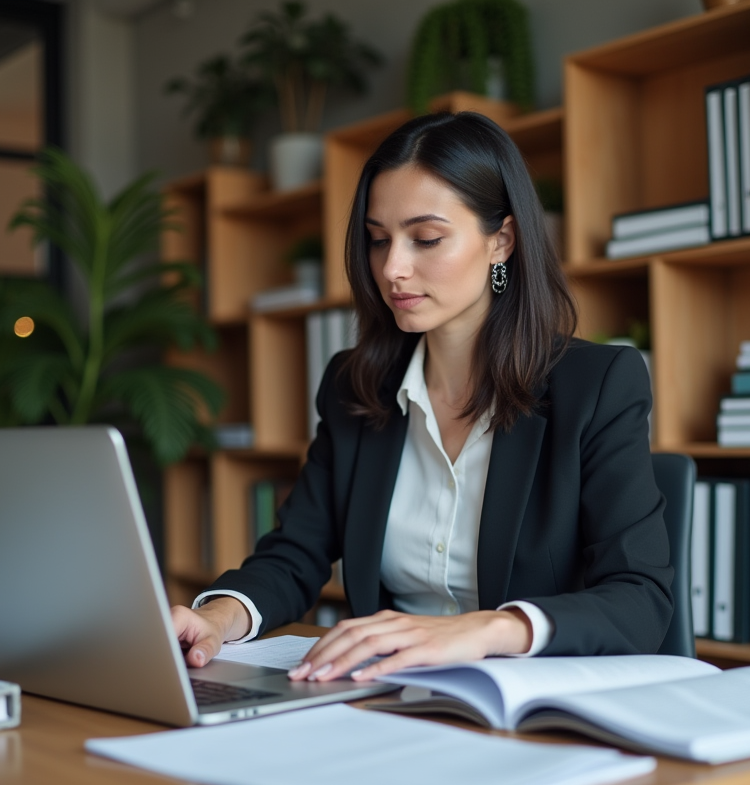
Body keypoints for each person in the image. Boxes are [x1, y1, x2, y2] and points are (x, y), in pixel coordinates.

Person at [171, 111, 672, 683]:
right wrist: (218, 616)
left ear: (500, 241)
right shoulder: (353, 386)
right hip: (390, 697)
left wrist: (488, 629)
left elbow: (641, 599)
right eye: (378, 240)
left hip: (534, 707)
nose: (392, 268)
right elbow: (295, 553)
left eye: (426, 239)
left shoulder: (596, 384)